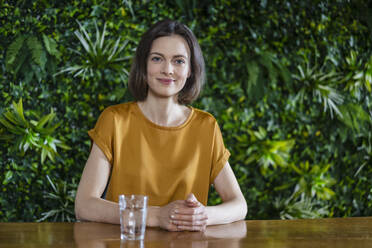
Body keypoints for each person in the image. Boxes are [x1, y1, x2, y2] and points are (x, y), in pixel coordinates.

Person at [75, 19, 247, 232]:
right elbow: (84, 205)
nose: (168, 70)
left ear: (191, 69)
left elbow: (239, 205)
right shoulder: (114, 120)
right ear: (143, 64)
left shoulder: (206, 126)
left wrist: (203, 215)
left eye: (179, 61)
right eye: (157, 59)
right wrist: (155, 215)